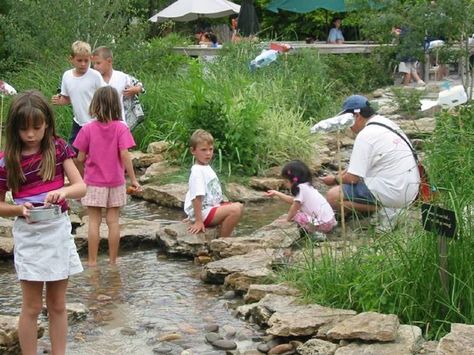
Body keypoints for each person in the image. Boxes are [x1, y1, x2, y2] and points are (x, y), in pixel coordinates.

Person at [0, 90, 86, 354]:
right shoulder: (7, 161)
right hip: (29, 234)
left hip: (58, 230)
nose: (30, 134)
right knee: (32, 307)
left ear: (47, 123)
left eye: (36, 128)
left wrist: (63, 191)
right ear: (14, 128)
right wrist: (17, 209)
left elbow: (81, 187)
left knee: (58, 304)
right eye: (24, 129)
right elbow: (1, 206)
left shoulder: (58, 148)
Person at [321, 95, 420, 229]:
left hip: (393, 192)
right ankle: (388, 206)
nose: (348, 127)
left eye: (347, 121)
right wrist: (341, 174)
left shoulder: (365, 136)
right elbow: (355, 167)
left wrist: (334, 179)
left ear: (356, 116)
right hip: (411, 189)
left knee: (333, 197)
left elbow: (352, 178)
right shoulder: (386, 123)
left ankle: (384, 210)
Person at [73, 86, 141, 266]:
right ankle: (112, 261)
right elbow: (125, 155)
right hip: (116, 182)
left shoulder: (87, 129)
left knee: (93, 222)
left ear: (95, 105)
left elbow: (79, 158)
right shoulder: (121, 128)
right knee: (113, 222)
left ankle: (92, 262)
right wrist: (133, 179)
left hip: (93, 182)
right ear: (116, 106)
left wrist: (79, 179)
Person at [184, 129, 243, 237]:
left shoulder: (205, 167)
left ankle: (223, 234)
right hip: (204, 212)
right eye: (203, 150)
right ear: (193, 151)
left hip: (211, 207)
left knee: (238, 206)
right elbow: (196, 197)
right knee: (235, 210)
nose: (208, 153)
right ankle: (222, 241)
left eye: (210, 149)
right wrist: (198, 220)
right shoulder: (197, 171)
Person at [51, 41, 106, 146]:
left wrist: (100, 111)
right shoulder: (67, 76)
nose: (83, 64)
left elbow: (105, 97)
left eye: (86, 60)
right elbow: (68, 98)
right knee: (72, 152)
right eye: (79, 60)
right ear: (71, 59)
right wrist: (59, 100)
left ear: (91, 58)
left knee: (94, 153)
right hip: (78, 122)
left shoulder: (95, 76)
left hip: (95, 122)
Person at [265, 160, 336, 240]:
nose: (285, 184)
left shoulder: (300, 189)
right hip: (331, 221)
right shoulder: (307, 186)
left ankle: (316, 235)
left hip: (324, 224)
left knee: (297, 215)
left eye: (286, 181)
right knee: (299, 213)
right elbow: (293, 200)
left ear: (293, 181)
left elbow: (294, 208)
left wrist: (287, 220)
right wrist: (277, 193)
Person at [91, 46, 146, 129]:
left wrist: (136, 89)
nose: (95, 66)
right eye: (93, 64)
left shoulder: (122, 77)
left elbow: (140, 85)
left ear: (109, 61)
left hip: (120, 122)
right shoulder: (93, 79)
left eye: (98, 63)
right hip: (98, 123)